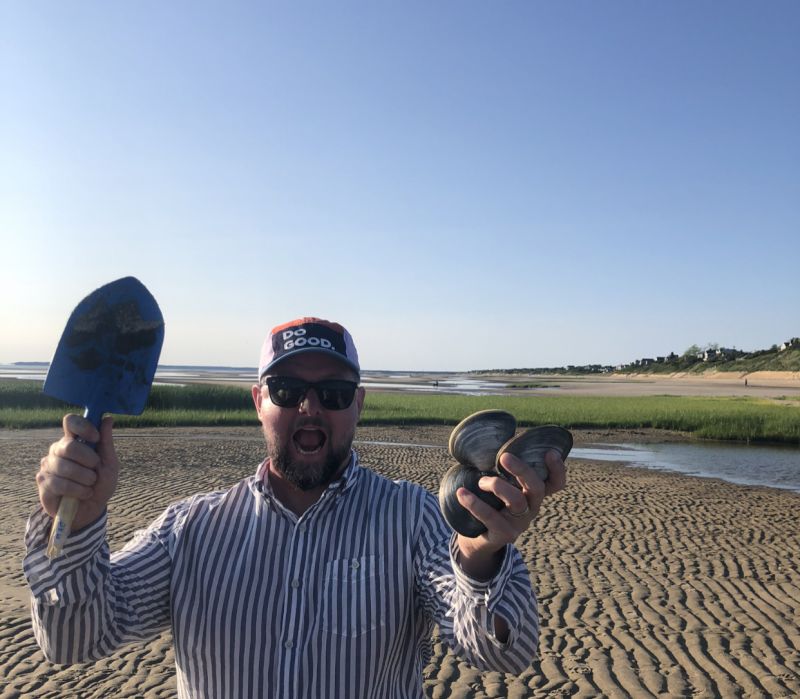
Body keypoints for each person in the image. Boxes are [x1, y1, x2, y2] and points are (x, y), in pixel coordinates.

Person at [25, 317, 567, 698]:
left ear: (358, 404)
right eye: (286, 389)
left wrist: (480, 555)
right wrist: (75, 523)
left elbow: (503, 655)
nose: (309, 407)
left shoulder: (415, 520)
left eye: (332, 393)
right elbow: (74, 638)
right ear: (259, 401)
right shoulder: (191, 530)